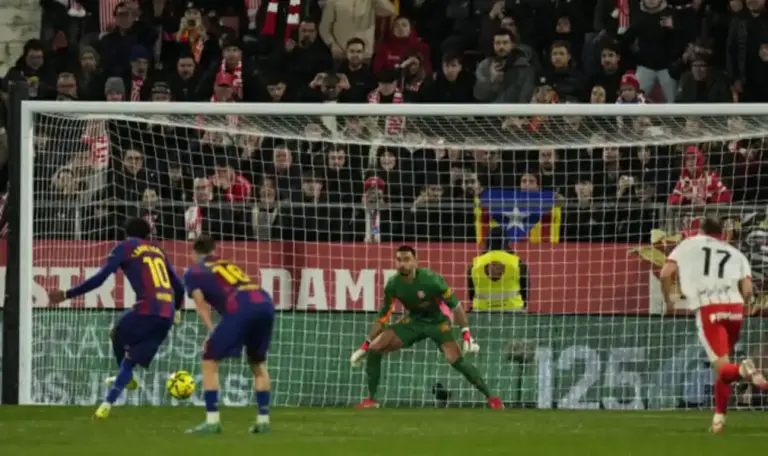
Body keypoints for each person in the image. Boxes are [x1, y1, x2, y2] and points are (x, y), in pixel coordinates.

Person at [47, 218, 185, 419]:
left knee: (116, 333)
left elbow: (100, 278)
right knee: (130, 360)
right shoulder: (158, 250)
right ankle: (106, 406)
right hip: (167, 313)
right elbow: (179, 286)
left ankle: (120, 385)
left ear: (125, 233)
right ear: (147, 235)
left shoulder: (125, 247)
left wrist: (67, 294)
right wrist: (178, 309)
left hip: (147, 307)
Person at [349, 245, 503, 409]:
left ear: (415, 262)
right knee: (375, 347)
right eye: (399, 260)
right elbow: (383, 317)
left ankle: (492, 397)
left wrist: (466, 334)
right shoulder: (393, 285)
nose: (402, 264)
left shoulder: (431, 280)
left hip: (439, 323)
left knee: (456, 360)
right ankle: (371, 400)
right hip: (414, 322)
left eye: (407, 259)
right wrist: (365, 345)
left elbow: (456, 306)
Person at [660, 217, 768, 433]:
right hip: (736, 310)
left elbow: (665, 273)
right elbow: (747, 290)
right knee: (723, 367)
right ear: (721, 234)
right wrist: (743, 306)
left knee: (725, 367)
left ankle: (744, 369)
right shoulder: (736, 254)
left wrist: (669, 300)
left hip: (710, 308)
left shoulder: (689, 243)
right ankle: (719, 419)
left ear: (701, 230)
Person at [182, 234, 275, 434]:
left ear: (194, 253)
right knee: (258, 362)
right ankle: (263, 420)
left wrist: (211, 330)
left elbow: (200, 304)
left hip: (241, 305)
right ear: (214, 251)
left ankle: (212, 421)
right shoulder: (226, 264)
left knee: (209, 358)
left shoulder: (193, 271)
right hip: (264, 302)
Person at [468, 227, 528, 311]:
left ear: (488, 242)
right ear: (506, 242)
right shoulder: (518, 263)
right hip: (514, 311)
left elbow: (471, 294)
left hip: (481, 311)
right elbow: (525, 293)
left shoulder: (474, 265)